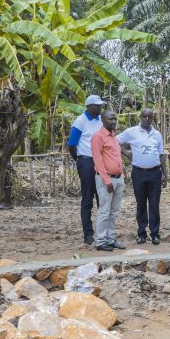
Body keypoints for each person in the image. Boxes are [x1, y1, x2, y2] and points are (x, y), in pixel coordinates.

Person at [118, 107, 166, 245]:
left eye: (150, 117)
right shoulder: (131, 132)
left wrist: (165, 174)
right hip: (139, 173)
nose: (147, 119)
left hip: (155, 173)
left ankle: (155, 234)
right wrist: (127, 154)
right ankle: (141, 233)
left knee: (154, 204)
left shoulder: (157, 134)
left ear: (152, 118)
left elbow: (161, 155)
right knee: (141, 204)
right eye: (144, 116)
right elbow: (116, 141)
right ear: (140, 117)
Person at [67, 95, 106, 245]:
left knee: (102, 198)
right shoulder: (80, 121)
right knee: (88, 198)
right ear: (89, 106)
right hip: (87, 161)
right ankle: (88, 234)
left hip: (100, 162)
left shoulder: (100, 120)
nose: (99, 108)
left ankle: (102, 233)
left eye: (100, 105)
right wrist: (79, 160)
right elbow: (71, 144)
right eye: (96, 105)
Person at [91, 109, 125, 251]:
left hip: (118, 179)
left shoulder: (114, 137)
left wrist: (122, 174)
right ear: (103, 120)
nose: (114, 121)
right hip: (106, 180)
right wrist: (107, 181)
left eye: (115, 119)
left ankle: (110, 239)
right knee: (104, 211)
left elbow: (116, 157)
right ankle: (100, 241)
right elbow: (98, 161)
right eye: (111, 119)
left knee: (114, 211)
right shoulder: (98, 137)